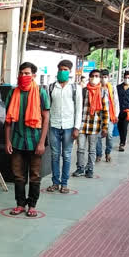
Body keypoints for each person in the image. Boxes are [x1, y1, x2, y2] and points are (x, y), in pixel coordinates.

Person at [5, 62, 51, 216]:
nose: (24, 76)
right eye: (22, 73)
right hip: (17, 141)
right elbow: (8, 120)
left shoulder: (40, 93)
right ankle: (20, 204)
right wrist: (7, 141)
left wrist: (42, 143)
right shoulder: (13, 93)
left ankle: (32, 205)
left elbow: (46, 119)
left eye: (27, 73)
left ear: (34, 76)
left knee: (35, 175)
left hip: (35, 141)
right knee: (18, 175)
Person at [47, 59, 81, 194]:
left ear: (70, 71)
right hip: (54, 126)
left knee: (66, 155)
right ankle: (55, 182)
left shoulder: (75, 88)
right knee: (54, 155)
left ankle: (64, 183)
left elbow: (79, 109)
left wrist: (77, 128)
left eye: (65, 70)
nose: (62, 72)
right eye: (60, 69)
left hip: (69, 127)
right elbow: (48, 108)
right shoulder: (51, 87)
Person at [72, 69, 109, 178]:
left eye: (97, 76)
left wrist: (105, 127)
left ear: (100, 78)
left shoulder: (102, 92)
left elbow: (105, 111)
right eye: (92, 76)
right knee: (80, 148)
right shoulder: (84, 91)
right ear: (89, 77)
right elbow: (77, 108)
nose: (94, 78)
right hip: (82, 124)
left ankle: (90, 169)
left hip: (95, 126)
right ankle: (80, 168)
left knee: (92, 149)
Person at [95, 69, 118, 162]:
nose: (103, 79)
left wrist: (116, 115)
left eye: (105, 77)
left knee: (109, 134)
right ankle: (98, 154)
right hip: (98, 115)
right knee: (97, 136)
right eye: (101, 77)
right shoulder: (96, 88)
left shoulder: (112, 88)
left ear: (108, 77)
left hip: (110, 115)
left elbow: (116, 102)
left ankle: (108, 152)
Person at [116, 70, 129, 151]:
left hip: (127, 112)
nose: (127, 79)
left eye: (128, 78)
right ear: (123, 78)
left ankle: (122, 143)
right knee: (119, 127)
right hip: (118, 111)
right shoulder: (118, 87)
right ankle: (123, 138)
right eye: (125, 77)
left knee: (124, 127)